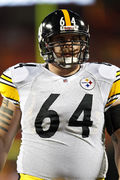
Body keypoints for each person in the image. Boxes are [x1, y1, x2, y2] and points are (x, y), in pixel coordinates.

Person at [0, 9, 120, 180]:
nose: (69, 46)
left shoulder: (105, 78)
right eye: (61, 40)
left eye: (75, 39)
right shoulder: (23, 78)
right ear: (46, 43)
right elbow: (3, 139)